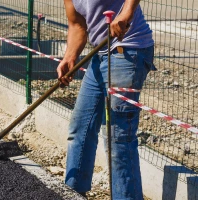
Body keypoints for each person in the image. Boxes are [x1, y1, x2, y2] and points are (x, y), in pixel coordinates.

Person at [56, 0, 155, 199]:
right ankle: (74, 191)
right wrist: (70, 56)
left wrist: (126, 12)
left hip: (127, 50)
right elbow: (77, 24)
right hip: (101, 54)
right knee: (80, 127)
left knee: (118, 137)